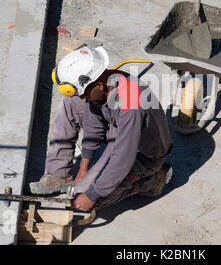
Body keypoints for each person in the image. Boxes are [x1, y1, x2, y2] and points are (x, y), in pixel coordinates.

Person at [29, 46, 173, 212]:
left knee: (86, 197)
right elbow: (93, 121)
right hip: (118, 129)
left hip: (144, 154)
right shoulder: (104, 80)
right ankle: (58, 175)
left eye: (85, 94)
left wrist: (92, 194)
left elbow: (122, 159)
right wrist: (84, 167)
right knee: (72, 102)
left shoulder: (131, 107)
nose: (83, 97)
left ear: (99, 85)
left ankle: (153, 179)